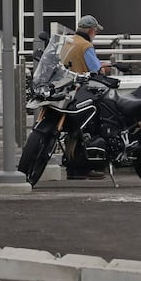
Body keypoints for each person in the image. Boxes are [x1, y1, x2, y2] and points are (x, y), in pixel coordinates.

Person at [60, 13, 111, 179]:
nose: (95, 35)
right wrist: (104, 69)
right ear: (90, 31)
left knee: (72, 132)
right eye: (95, 31)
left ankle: (72, 169)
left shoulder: (67, 42)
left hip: (65, 91)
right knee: (92, 126)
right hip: (83, 93)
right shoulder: (86, 46)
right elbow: (97, 71)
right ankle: (88, 166)